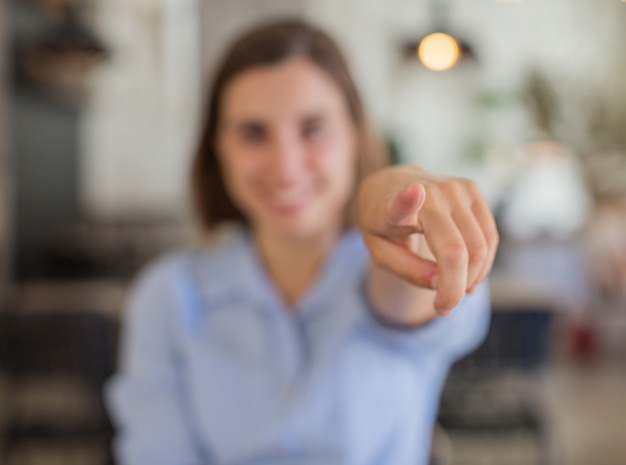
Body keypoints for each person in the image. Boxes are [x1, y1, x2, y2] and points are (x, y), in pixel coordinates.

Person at [106, 19, 498, 465]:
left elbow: (410, 292)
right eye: (253, 133)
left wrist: (404, 192)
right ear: (217, 147)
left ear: (354, 134)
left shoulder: (384, 277)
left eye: (313, 129)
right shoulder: (168, 297)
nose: (286, 166)